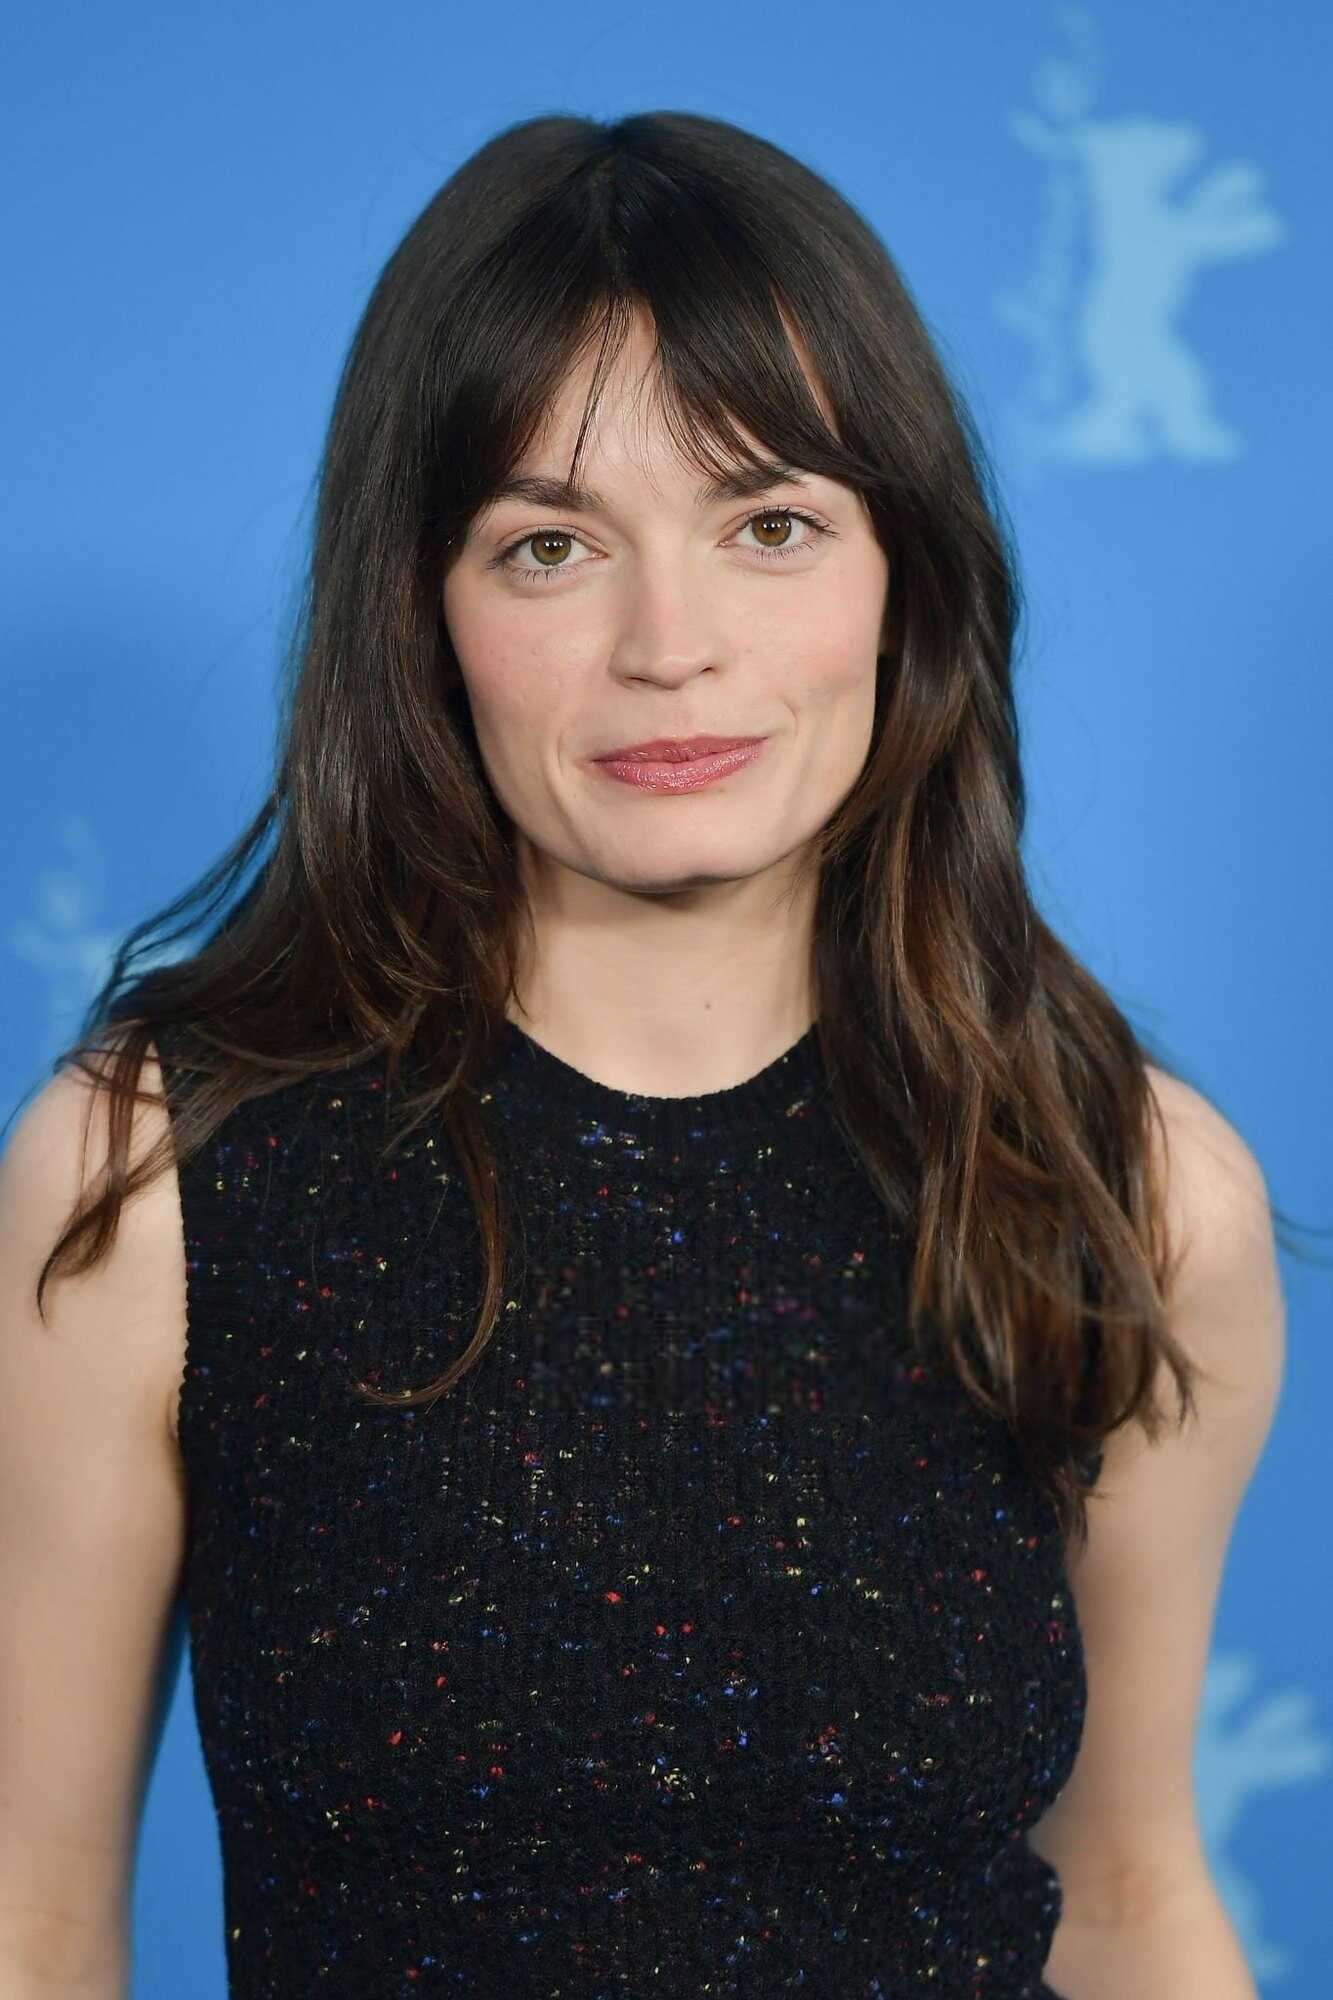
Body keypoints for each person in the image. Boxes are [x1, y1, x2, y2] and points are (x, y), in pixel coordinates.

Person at [0, 110, 1285, 2000]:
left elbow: (1124, 1890)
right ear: (424, 612)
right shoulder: (158, 1176)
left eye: (769, 526)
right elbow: (32, 1920)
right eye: (548, 547)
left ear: (904, 579)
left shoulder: (1131, 1187)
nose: (667, 645)